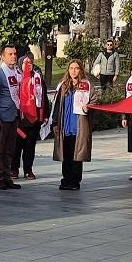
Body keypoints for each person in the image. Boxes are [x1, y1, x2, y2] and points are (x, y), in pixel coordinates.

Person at [50, 59, 92, 190]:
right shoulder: (63, 86)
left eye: (76, 68)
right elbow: (57, 105)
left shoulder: (86, 85)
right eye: (71, 68)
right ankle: (66, 179)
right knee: (66, 155)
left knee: (77, 155)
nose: (74, 71)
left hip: (78, 126)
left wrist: (88, 106)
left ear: (80, 70)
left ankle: (75, 180)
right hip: (65, 126)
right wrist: (55, 123)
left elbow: (95, 100)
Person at [0, 44, 22, 191]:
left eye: (15, 54)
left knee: (10, 149)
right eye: (10, 54)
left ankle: (7, 176)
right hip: (2, 116)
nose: (13, 56)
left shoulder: (17, 72)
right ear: (3, 56)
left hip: (14, 115)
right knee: (0, 149)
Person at [18, 56, 46, 180]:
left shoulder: (38, 78)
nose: (28, 65)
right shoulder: (16, 78)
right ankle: (14, 169)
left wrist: (44, 115)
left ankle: (28, 170)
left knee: (30, 145)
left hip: (34, 119)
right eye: (25, 63)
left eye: (30, 63)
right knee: (16, 146)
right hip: (19, 118)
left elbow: (44, 98)